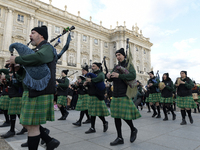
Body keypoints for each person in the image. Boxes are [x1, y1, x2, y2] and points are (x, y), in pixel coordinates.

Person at [7, 25, 60, 150]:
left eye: (33, 32)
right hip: (31, 91)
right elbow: (27, 75)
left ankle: (49, 140)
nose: (30, 35)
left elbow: (39, 58)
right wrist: (18, 69)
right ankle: (49, 140)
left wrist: (18, 59)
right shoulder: (36, 51)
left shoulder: (47, 47)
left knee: (32, 126)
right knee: (27, 123)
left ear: (41, 35)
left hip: (40, 92)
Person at [107, 48, 141, 146]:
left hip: (124, 93)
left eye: (119, 55)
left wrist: (119, 76)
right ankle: (119, 137)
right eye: (116, 55)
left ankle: (133, 129)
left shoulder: (129, 65)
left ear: (124, 55)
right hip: (115, 94)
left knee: (124, 116)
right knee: (116, 116)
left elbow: (132, 76)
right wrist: (108, 76)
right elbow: (111, 79)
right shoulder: (116, 66)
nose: (118, 57)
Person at [84, 62, 110, 134]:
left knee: (97, 112)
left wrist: (91, 80)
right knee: (93, 112)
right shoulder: (90, 75)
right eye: (92, 66)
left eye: (94, 66)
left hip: (97, 95)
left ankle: (104, 122)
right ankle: (93, 127)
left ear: (98, 67)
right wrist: (86, 83)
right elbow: (90, 83)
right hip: (91, 94)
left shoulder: (100, 73)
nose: (92, 67)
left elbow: (101, 78)